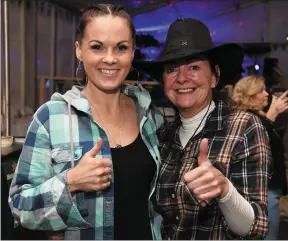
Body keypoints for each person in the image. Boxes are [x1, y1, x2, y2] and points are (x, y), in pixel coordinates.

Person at [9, 4, 163, 240]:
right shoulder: (51, 117)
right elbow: (19, 205)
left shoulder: (148, 114)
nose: (110, 59)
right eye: (97, 47)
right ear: (79, 50)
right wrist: (69, 182)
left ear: (132, 53)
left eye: (121, 48)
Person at [135, 18, 271, 239]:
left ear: (215, 76)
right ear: (164, 81)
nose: (182, 78)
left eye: (194, 67)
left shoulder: (243, 126)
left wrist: (224, 190)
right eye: (172, 70)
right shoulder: (163, 135)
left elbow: (255, 228)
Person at [232, 75, 288, 240]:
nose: (266, 94)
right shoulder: (245, 118)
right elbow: (252, 143)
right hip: (262, 191)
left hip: (270, 189)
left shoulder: (259, 118)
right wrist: (271, 116)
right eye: (261, 91)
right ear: (249, 95)